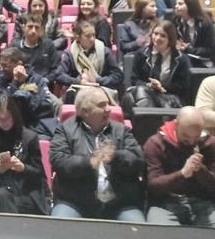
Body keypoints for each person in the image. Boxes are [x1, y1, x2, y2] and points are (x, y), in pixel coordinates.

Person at [48, 86, 146, 222]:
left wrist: (116, 157)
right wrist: (88, 163)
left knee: (139, 230)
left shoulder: (121, 130)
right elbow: (58, 161)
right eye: (101, 105)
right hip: (75, 202)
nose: (108, 109)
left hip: (120, 203)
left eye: (108, 104)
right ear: (84, 111)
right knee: (59, 227)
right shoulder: (65, 130)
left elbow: (138, 161)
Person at [143, 107, 215, 228]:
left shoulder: (212, 144)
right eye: (185, 136)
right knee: (160, 236)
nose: (191, 142)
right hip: (165, 203)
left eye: (196, 137)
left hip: (203, 203)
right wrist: (182, 174)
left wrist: (201, 171)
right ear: (176, 125)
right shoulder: (156, 144)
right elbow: (153, 187)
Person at [0, 92, 49, 214]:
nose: (5, 122)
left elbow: (39, 175)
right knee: (1, 196)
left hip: (24, 193)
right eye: (1, 119)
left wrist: (23, 168)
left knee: (4, 201)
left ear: (14, 116)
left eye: (8, 118)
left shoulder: (29, 137)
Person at [122, 20, 190, 116]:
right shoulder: (141, 54)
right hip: (145, 94)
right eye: (155, 34)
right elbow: (134, 79)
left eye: (163, 36)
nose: (157, 38)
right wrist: (149, 85)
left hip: (170, 97)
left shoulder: (182, 59)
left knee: (142, 98)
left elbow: (183, 86)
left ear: (170, 39)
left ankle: (149, 122)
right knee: (141, 92)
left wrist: (162, 87)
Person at [56, 20, 123, 104]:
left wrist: (97, 80)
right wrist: (79, 81)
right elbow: (59, 75)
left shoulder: (104, 51)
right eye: (88, 36)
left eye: (94, 35)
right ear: (78, 37)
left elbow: (118, 75)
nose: (92, 39)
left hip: (101, 88)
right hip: (79, 89)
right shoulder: (70, 53)